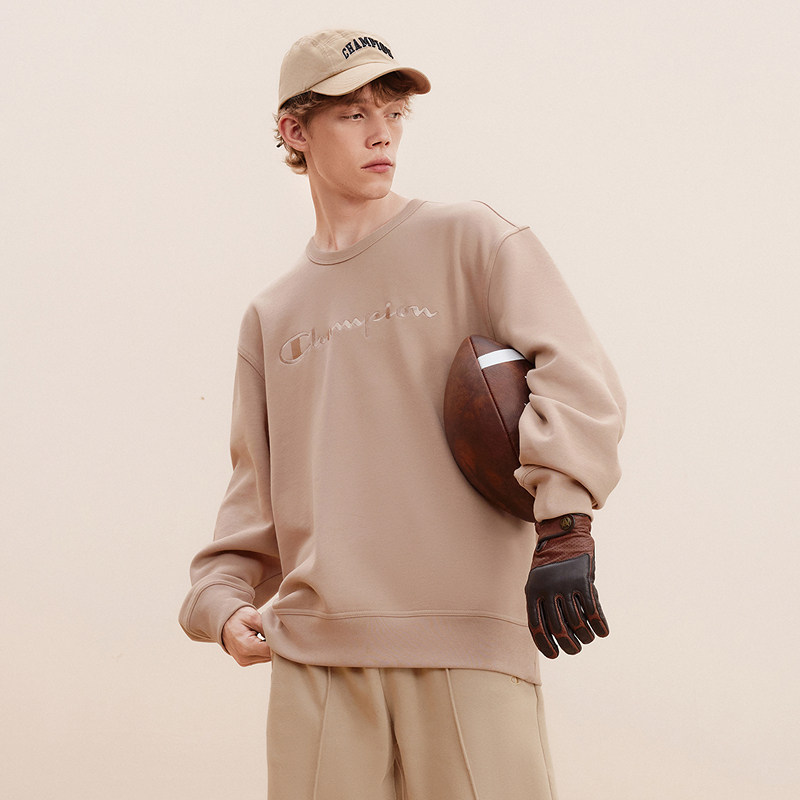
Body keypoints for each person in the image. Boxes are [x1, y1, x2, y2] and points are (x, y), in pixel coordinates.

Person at [179, 28, 625, 800]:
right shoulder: (273, 315)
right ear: (294, 130)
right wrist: (220, 604)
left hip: (468, 640)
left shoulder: (472, 238)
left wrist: (566, 523)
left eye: (391, 111)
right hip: (317, 658)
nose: (381, 131)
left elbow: (578, 379)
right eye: (353, 113)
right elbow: (254, 497)